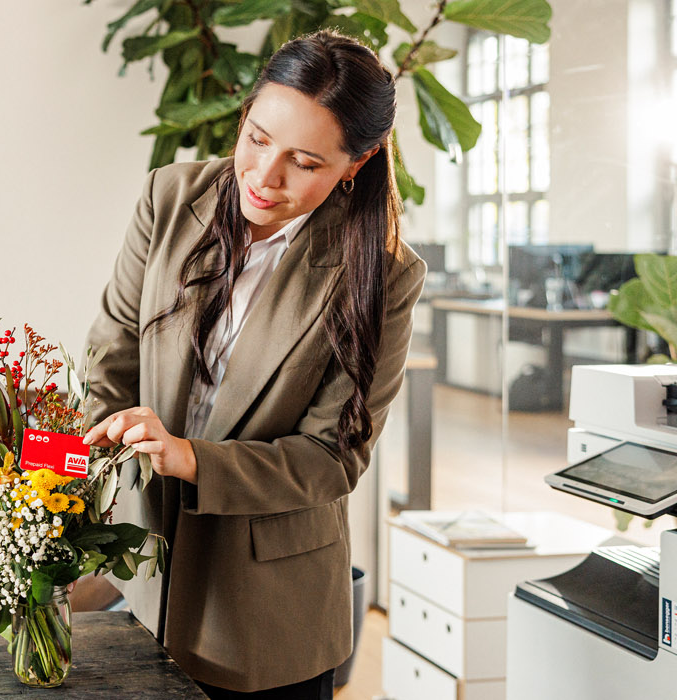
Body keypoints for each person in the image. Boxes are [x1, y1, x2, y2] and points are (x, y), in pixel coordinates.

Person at [81, 30, 426, 699]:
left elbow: (332, 459)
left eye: (304, 161)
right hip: (147, 577)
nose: (265, 177)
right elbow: (111, 352)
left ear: (359, 160)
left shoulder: (380, 275)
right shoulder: (170, 198)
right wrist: (84, 451)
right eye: (258, 138)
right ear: (244, 116)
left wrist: (191, 459)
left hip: (269, 615)